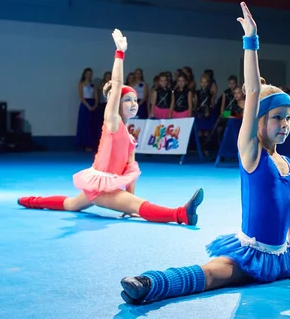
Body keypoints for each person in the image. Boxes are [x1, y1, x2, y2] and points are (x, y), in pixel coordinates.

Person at [119, 3, 290, 305]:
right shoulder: (252, 154)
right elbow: (253, 92)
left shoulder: (288, 165)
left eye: (289, 117)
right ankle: (150, 283)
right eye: (277, 117)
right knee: (214, 273)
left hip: (283, 255)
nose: (285, 124)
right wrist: (251, 41)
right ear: (258, 122)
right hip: (250, 255)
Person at [18, 30, 203, 225]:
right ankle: (181, 214)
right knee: (135, 204)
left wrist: (128, 202)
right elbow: (116, 84)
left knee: (72, 204)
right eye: (127, 100)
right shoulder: (112, 122)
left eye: (135, 100)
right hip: (100, 186)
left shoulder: (131, 138)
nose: (133, 103)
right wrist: (120, 54)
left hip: (103, 187)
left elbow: (131, 172)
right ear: (116, 103)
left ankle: (31, 201)